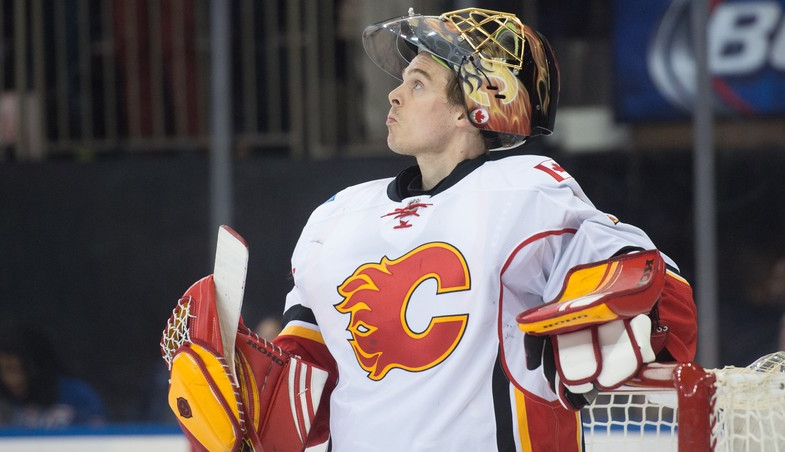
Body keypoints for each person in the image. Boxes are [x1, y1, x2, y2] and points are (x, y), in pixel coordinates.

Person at [164, 7, 698, 451]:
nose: (394, 95)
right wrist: (240, 389)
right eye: (401, 80)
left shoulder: (527, 190)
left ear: (478, 106)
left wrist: (621, 299)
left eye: (418, 84)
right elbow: (306, 388)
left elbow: (657, 294)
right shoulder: (337, 215)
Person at [0, 323, 106, 428]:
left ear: (38, 365)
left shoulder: (78, 397)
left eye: (21, 369)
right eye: (4, 370)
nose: (13, 380)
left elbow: (96, 442)